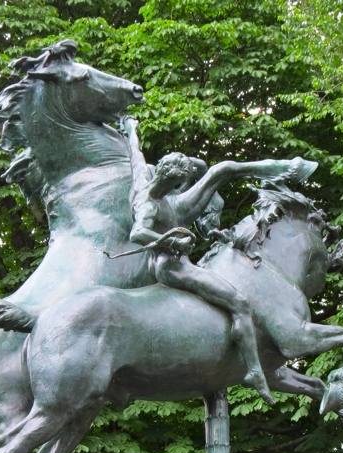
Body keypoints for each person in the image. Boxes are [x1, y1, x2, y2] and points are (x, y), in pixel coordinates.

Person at [120, 117, 316, 405]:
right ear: (173, 180)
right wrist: (172, 241)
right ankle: (254, 371)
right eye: (180, 183)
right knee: (239, 301)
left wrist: (130, 130)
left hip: (172, 263)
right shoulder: (150, 204)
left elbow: (135, 154)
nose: (181, 187)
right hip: (174, 267)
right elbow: (137, 232)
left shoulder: (142, 182)